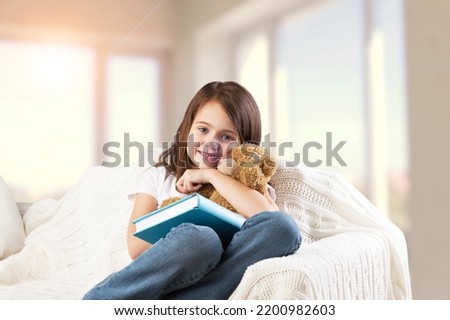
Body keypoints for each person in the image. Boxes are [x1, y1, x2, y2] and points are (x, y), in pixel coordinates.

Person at [83, 81, 301, 300]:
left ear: (245, 145)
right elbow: (135, 246)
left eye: (226, 137)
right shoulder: (160, 178)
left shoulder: (246, 185)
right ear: (187, 129)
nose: (210, 144)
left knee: (286, 227)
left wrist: (211, 175)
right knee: (202, 239)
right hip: (171, 271)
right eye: (203, 130)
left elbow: (271, 221)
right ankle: (101, 300)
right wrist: (186, 218)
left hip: (212, 285)